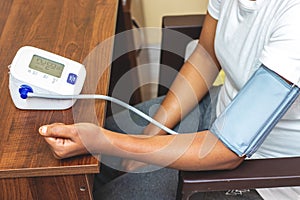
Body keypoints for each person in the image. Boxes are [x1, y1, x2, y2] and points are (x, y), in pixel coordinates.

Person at [38, 0, 300, 199]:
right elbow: (206, 56)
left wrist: (112, 143)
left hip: (262, 170)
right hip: (221, 113)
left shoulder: (293, 22)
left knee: (114, 189)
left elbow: (228, 149)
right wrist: (149, 134)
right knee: (92, 159)